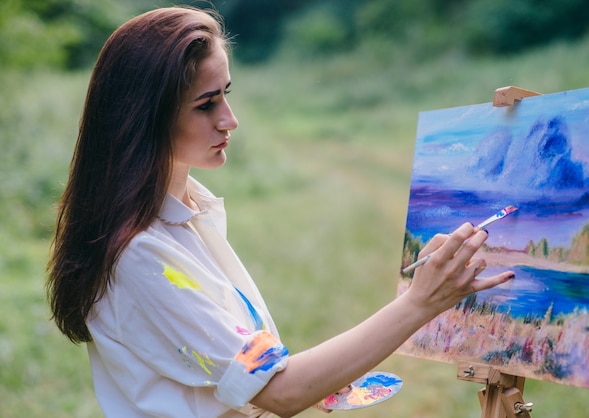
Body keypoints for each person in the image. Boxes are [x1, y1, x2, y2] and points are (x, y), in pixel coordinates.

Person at [46, 6, 514, 418]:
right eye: (207, 104)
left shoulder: (191, 209)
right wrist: (420, 302)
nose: (229, 119)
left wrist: (320, 375)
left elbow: (249, 374)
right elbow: (279, 392)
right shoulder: (140, 255)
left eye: (226, 94)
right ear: (144, 116)